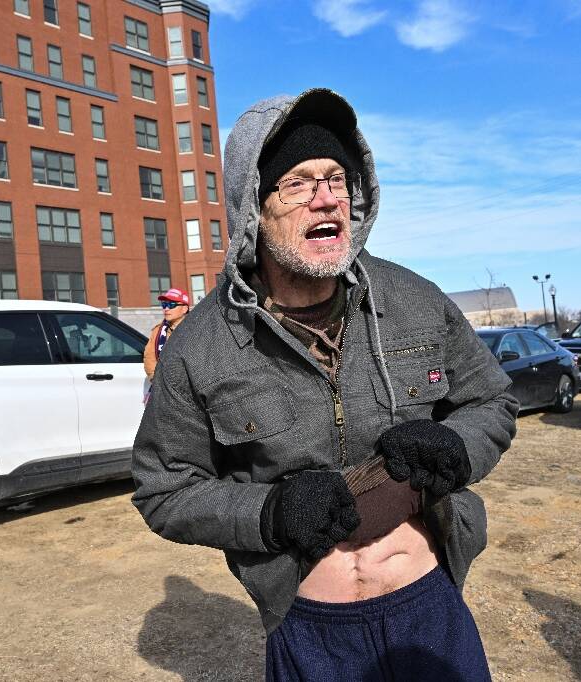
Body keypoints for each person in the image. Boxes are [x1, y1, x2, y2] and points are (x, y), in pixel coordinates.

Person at [131, 89, 518, 681]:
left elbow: (490, 399)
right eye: (299, 183)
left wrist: (457, 448)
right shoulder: (202, 344)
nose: (327, 198)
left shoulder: (413, 301)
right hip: (313, 631)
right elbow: (164, 489)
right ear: (253, 209)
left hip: (428, 609)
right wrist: (271, 514)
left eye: (337, 179)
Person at [143, 288, 190, 381]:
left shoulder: (195, 329)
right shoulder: (157, 331)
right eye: (164, 305)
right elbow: (149, 359)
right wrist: (157, 381)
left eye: (171, 305)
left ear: (184, 308)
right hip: (164, 386)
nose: (166, 309)